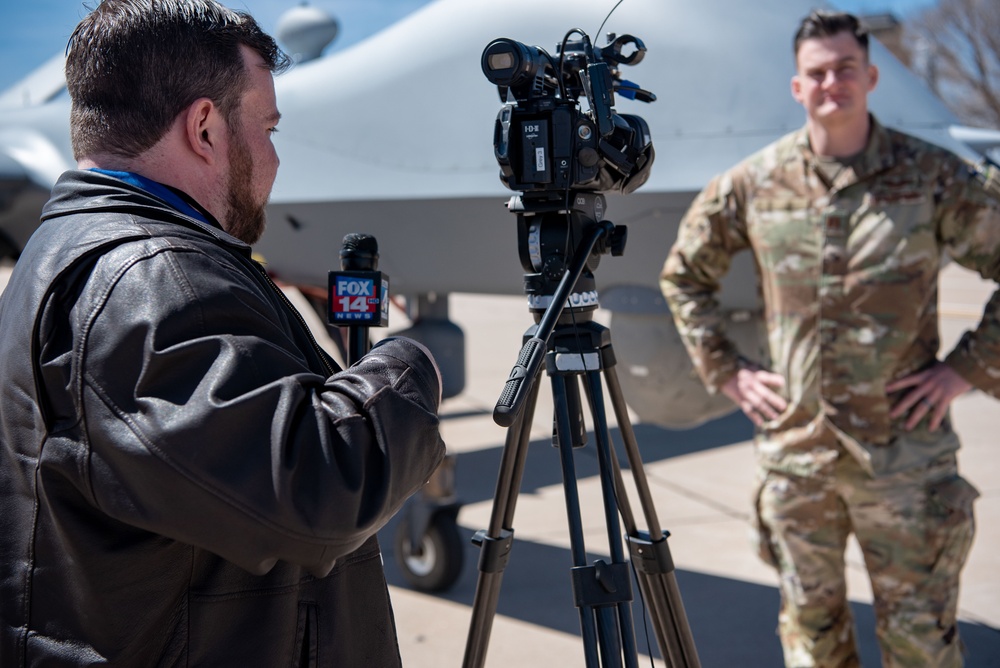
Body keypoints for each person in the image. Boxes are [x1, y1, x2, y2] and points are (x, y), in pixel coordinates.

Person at [0, 0, 446, 665]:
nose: (271, 156)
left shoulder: (65, 244)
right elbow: (319, 492)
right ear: (205, 127)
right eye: (266, 128)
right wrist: (407, 365)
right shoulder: (154, 283)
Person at [661, 9, 1000, 667]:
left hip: (906, 467)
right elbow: (683, 276)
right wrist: (726, 370)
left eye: (846, 69)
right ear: (797, 87)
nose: (831, 83)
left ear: (871, 76)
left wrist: (966, 368)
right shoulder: (753, 184)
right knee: (813, 645)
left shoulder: (935, 178)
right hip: (799, 463)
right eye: (816, 73)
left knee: (922, 648)